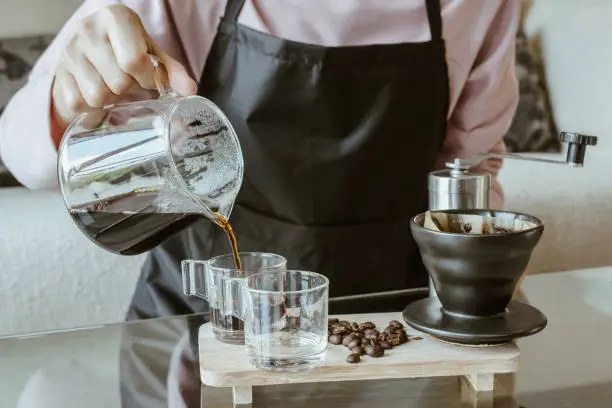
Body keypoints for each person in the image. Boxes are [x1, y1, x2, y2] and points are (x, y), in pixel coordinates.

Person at [0, 0, 520, 320]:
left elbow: (469, 172)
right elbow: (24, 157)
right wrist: (71, 93)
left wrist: (474, 311)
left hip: (389, 326)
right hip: (194, 330)